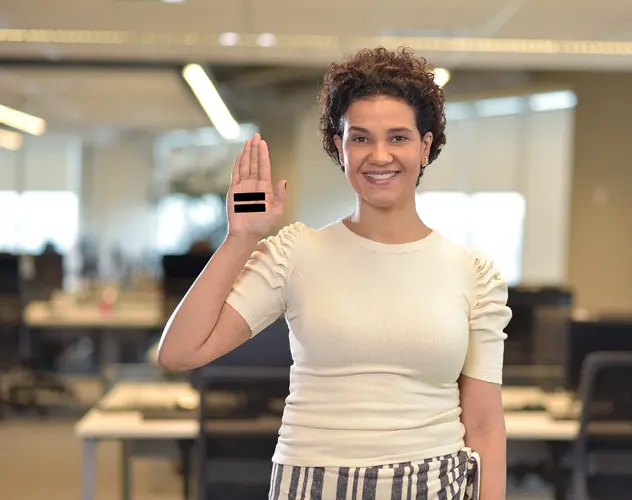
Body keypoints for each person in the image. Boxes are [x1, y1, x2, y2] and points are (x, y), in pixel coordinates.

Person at [157, 46, 511, 499]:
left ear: (425, 147)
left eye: (398, 137)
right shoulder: (295, 253)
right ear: (339, 149)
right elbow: (179, 353)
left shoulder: (474, 273)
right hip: (311, 483)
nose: (379, 155)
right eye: (360, 138)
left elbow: (483, 426)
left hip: (432, 485)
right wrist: (241, 236)